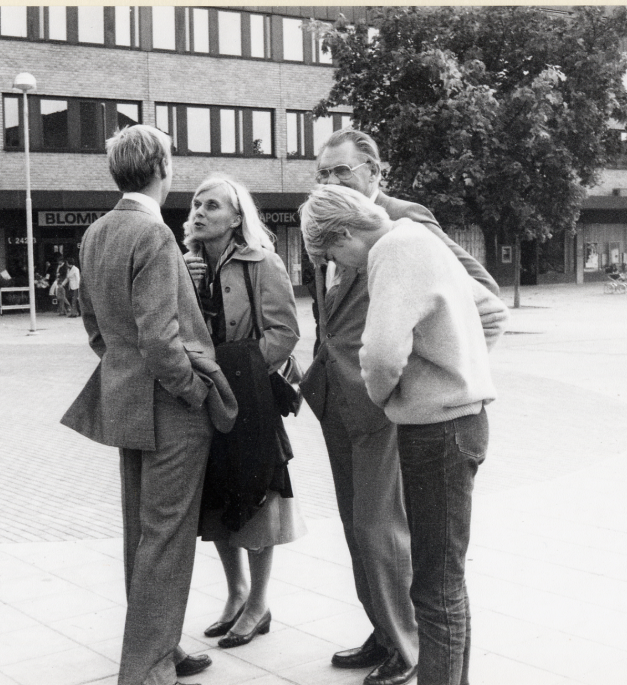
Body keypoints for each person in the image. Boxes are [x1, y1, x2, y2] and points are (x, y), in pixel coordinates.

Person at [301, 128, 504, 685]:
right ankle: (385, 629)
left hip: (400, 411)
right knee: (362, 533)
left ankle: (406, 645)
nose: (332, 183)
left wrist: (442, 375)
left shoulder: (404, 224)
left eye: (342, 172)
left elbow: (481, 299)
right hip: (344, 402)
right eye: (323, 175)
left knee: (394, 544)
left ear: (374, 172)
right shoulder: (335, 225)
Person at [60, 125, 237, 685]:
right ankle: (147, 667)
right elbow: (162, 339)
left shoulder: (96, 233)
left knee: (142, 534)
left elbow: (95, 327)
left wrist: (123, 370)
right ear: (163, 167)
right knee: (167, 538)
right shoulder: (154, 234)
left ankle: (163, 645)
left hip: (126, 405)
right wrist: (195, 391)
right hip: (170, 410)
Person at [181, 174, 306, 649]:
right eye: (195, 204)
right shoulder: (185, 265)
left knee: (258, 493)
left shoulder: (263, 262)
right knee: (215, 497)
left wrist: (241, 372)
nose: (199, 211)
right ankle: (235, 594)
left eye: (212, 205)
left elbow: (284, 331)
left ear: (236, 217)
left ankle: (259, 602)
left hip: (248, 397)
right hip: (204, 396)